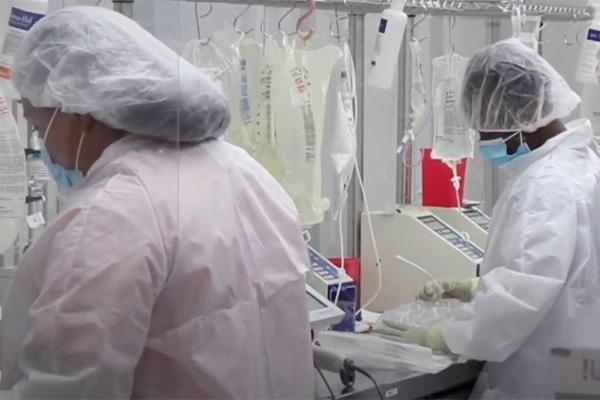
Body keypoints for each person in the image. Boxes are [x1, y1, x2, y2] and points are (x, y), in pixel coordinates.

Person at [0, 6, 314, 399]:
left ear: (77, 112)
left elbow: (70, 386)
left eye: (38, 124)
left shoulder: (113, 212)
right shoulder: (248, 174)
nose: (43, 144)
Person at [391, 38, 600, 399]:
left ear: (525, 112)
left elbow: (521, 295)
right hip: (577, 368)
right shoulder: (584, 166)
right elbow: (568, 273)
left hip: (541, 377)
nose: (484, 138)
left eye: (488, 124)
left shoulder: (545, 187)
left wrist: (446, 336)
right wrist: (478, 288)